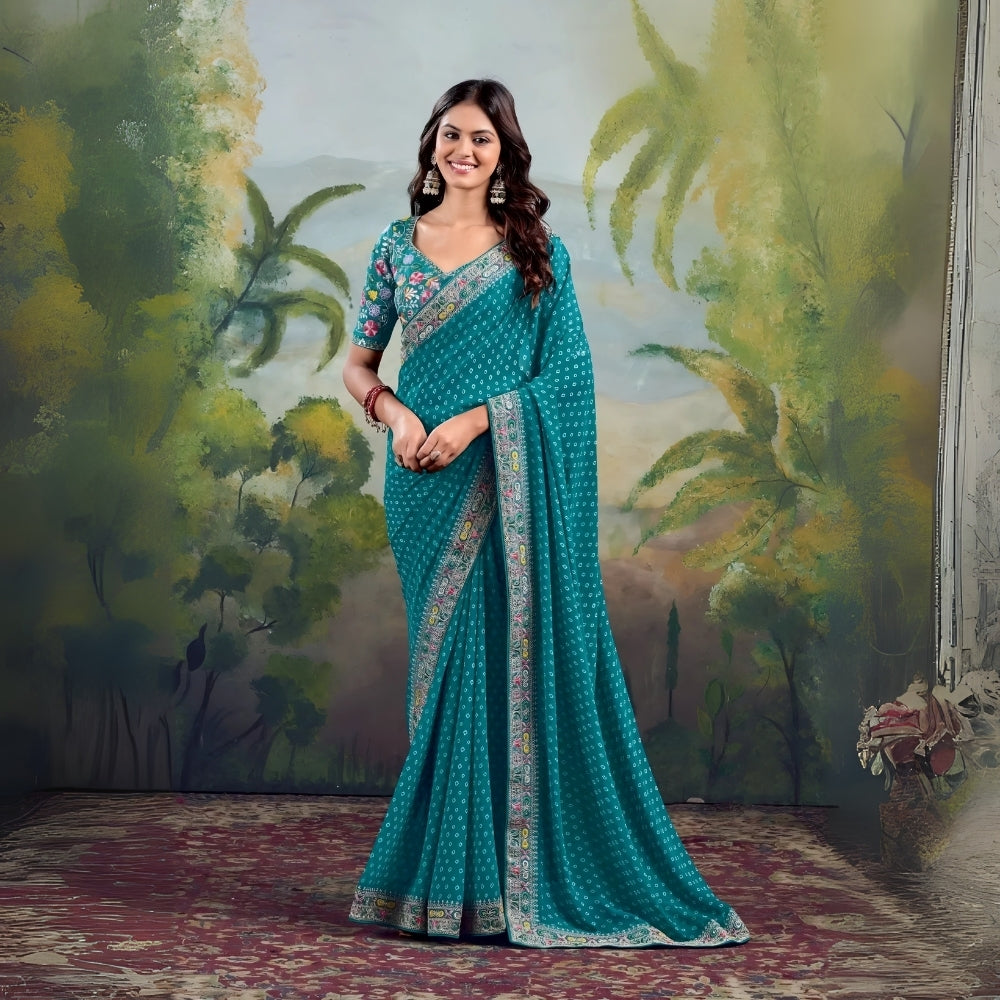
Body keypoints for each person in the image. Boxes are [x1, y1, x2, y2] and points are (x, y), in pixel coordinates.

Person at [342, 79, 749, 949]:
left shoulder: (538, 253)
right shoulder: (395, 246)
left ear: (504, 153)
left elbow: (564, 381)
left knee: (496, 663)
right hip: (422, 484)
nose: (464, 150)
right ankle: (445, 881)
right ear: (432, 145)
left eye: (482, 140)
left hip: (500, 476)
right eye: (451, 135)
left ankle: (490, 884)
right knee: (448, 668)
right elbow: (359, 362)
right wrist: (401, 415)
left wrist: (474, 421)